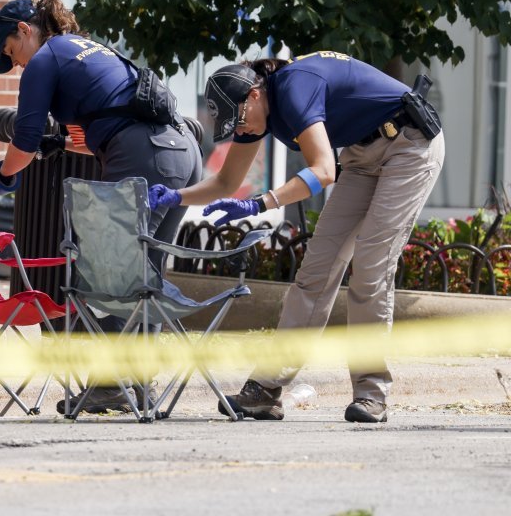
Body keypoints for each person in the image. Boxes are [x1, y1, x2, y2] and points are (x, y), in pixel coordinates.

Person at [150, 51, 445, 423]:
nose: (239, 131)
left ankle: (371, 393)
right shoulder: (255, 112)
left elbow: (322, 171)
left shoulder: (293, 87)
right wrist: (177, 196)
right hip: (360, 155)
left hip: (408, 145)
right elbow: (226, 181)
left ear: (254, 95)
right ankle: (267, 390)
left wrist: (262, 203)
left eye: (238, 121)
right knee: (316, 269)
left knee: (371, 263)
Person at [0, 0, 202, 414]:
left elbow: (23, 141)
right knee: (143, 277)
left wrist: (0, 177)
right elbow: (104, 129)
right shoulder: (87, 49)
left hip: (146, 157)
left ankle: (109, 384)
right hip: (182, 154)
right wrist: (61, 143)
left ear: (25, 31)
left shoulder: (44, 61)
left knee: (111, 271)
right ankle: (135, 385)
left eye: (11, 52)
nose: (16, 64)